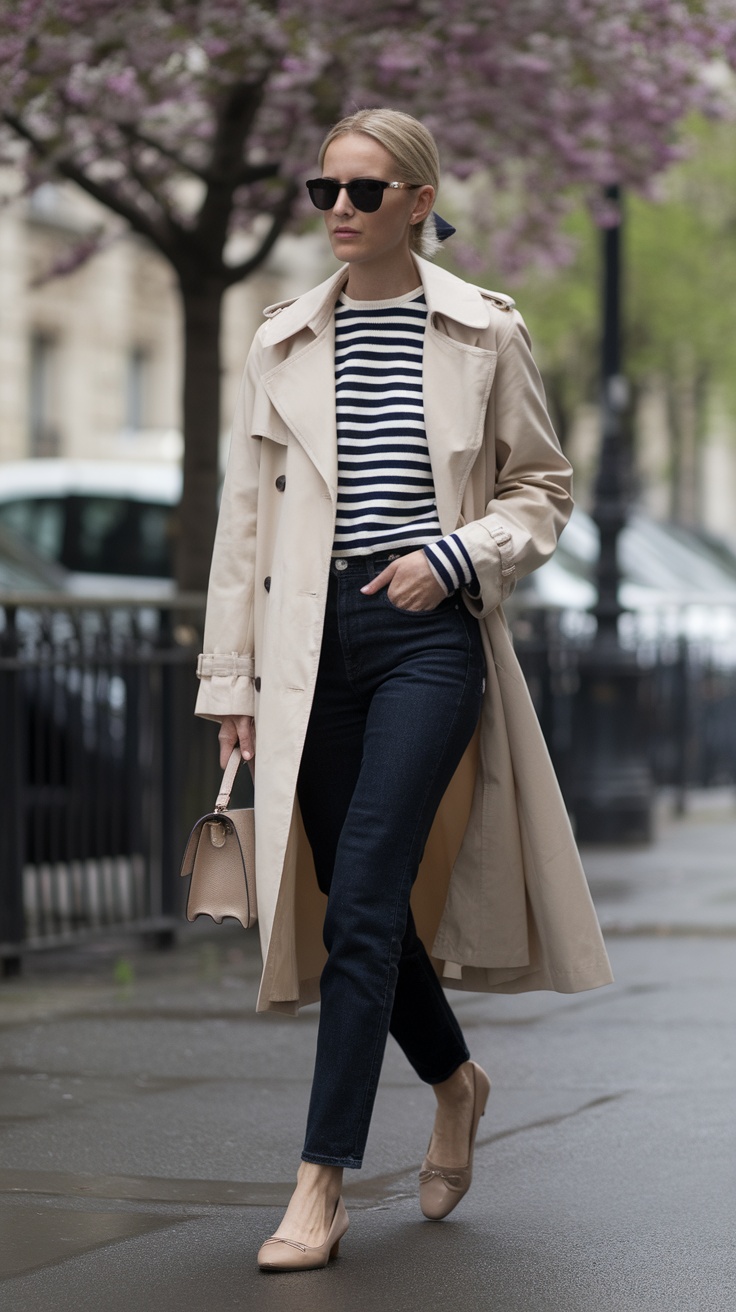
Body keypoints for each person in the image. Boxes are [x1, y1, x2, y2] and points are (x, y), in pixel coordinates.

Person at [195, 107, 612, 1272]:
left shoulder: (483, 330)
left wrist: (455, 555)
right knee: (352, 905)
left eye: (364, 191)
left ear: (418, 203)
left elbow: (540, 488)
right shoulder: (279, 338)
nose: (338, 207)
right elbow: (244, 521)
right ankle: (456, 1080)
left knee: (370, 891)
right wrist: (229, 675)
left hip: (427, 638)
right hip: (303, 646)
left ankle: (318, 1181)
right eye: (322, 186)